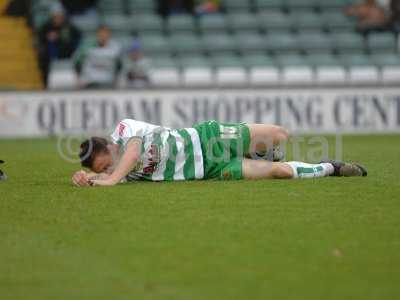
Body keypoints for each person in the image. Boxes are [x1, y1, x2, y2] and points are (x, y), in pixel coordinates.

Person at [71, 119, 367, 187]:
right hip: (212, 170)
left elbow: (133, 152)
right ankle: (331, 167)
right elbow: (105, 177)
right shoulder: (121, 176)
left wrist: (108, 179)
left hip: (208, 137)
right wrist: (87, 178)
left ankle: (266, 152)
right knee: (281, 172)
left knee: (280, 136)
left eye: (106, 163)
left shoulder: (124, 131)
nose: (109, 169)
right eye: (104, 169)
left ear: (109, 146)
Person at [38, 4, 81, 86]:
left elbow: (76, 38)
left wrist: (60, 38)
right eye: (56, 17)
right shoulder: (46, 27)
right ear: (52, 17)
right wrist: (48, 38)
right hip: (50, 59)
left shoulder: (69, 27)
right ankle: (45, 84)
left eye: (60, 16)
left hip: (67, 57)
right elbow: (40, 39)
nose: (58, 19)